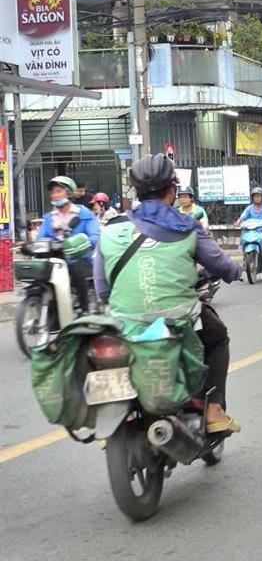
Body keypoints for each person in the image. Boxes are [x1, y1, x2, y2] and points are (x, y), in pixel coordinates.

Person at [93, 154, 243, 433]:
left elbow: (102, 288)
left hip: (124, 321)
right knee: (217, 337)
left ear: (136, 191)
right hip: (178, 320)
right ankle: (213, 409)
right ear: (172, 190)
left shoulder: (111, 229)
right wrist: (236, 270)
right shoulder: (187, 226)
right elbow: (222, 265)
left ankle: (119, 412)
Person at [37, 176, 99, 312]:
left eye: (59, 191)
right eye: (53, 192)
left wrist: (83, 243)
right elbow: (40, 238)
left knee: (77, 269)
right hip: (56, 258)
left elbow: (95, 236)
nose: (55, 195)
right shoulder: (49, 217)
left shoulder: (84, 214)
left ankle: (84, 310)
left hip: (79, 257)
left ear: (69, 193)